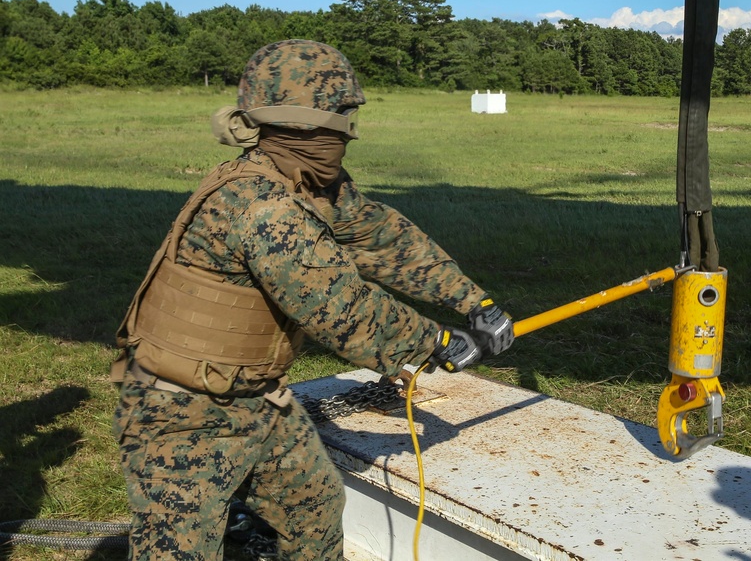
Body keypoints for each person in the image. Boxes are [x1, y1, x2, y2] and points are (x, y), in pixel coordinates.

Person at [111, 39, 515, 560]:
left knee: (315, 510)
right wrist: (434, 341)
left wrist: (474, 303)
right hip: (181, 413)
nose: (351, 131)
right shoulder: (261, 204)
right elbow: (341, 309)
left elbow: (380, 238)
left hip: (255, 398)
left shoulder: (308, 182)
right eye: (344, 115)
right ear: (309, 123)